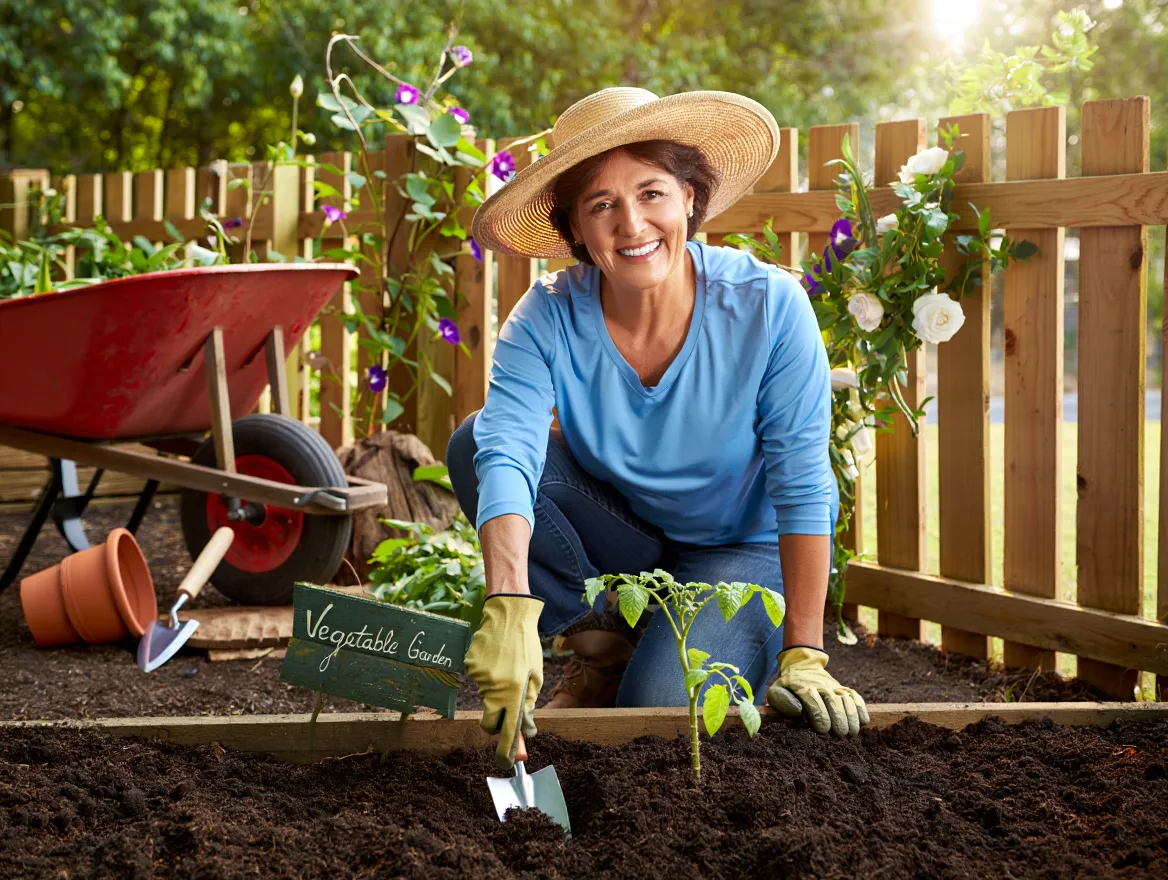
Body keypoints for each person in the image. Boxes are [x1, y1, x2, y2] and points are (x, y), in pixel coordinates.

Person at [449, 87, 869, 769]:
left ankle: (673, 657)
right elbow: (507, 453)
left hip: (745, 549)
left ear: (689, 198)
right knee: (475, 441)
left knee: (661, 715)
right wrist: (508, 607)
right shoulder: (547, 315)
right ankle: (602, 646)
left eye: (651, 193)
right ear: (575, 227)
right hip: (635, 537)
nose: (632, 224)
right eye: (601, 205)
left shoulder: (767, 307)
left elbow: (801, 482)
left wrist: (805, 651)